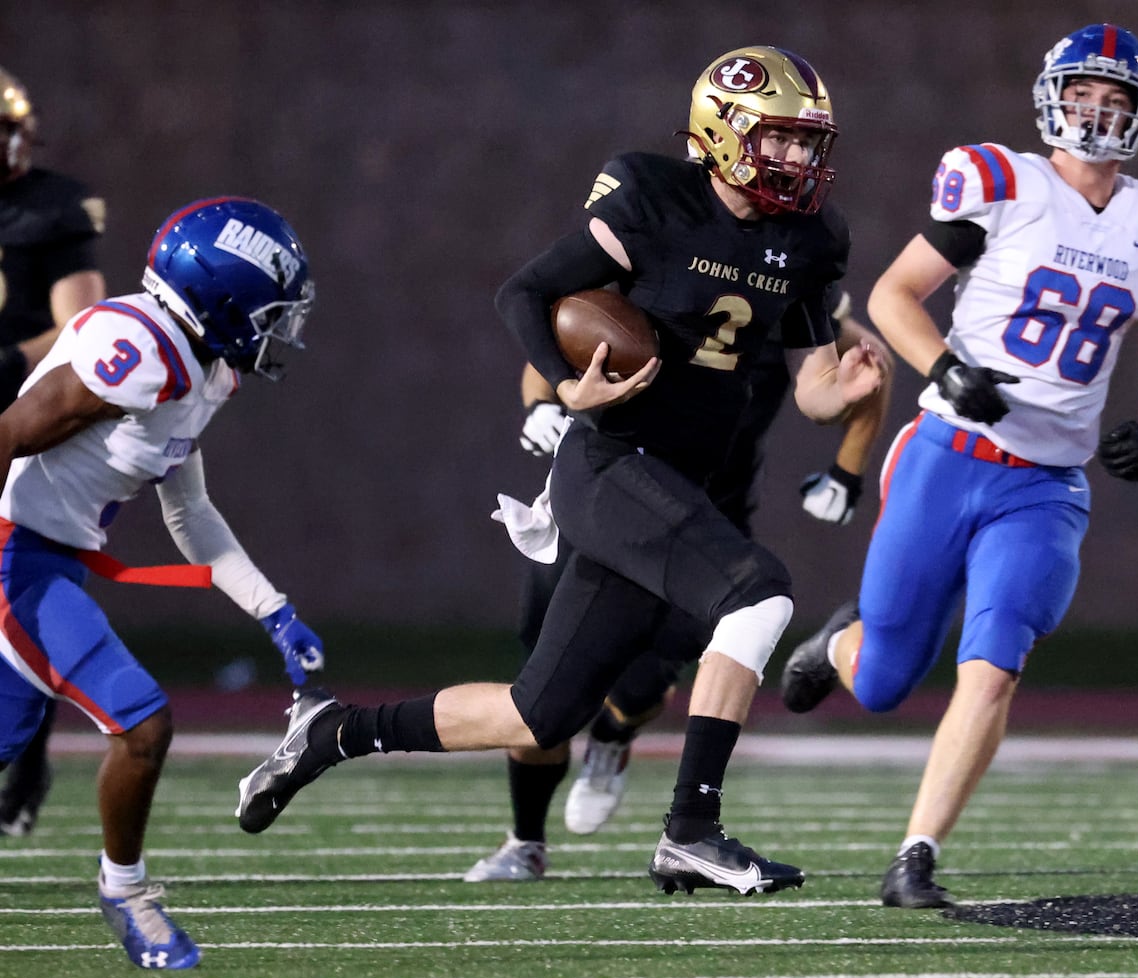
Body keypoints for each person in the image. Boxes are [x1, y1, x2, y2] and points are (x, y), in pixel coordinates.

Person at [237, 44, 883, 897]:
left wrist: (838, 394)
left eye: (808, 144)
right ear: (722, 134)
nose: (799, 161)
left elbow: (806, 386)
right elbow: (525, 291)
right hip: (612, 462)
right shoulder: (653, 197)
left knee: (535, 712)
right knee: (758, 594)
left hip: (678, 486)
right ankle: (691, 828)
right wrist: (565, 379)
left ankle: (332, 730)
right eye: (781, 140)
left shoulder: (807, 239)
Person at [781, 23, 1138, 909]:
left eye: (1114, 99)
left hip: (1044, 486)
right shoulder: (1002, 182)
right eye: (1083, 93)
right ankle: (840, 642)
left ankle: (916, 855)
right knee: (886, 681)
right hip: (946, 455)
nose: (1095, 111)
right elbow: (894, 295)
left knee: (994, 664)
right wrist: (943, 368)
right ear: (1054, 97)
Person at [467, 290, 891, 882]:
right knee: (541, 693)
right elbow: (558, 339)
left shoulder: (784, 281)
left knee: (641, 686)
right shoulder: (664, 270)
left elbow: (870, 361)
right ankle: (526, 839)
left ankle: (616, 734)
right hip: (607, 504)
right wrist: (545, 401)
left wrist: (848, 468)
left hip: (702, 529)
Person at [0, 196, 322, 969]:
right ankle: (126, 891)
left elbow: (192, 512)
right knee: (143, 724)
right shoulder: (138, 346)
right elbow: (8, 432)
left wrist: (274, 612)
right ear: (222, 296)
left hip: (52, 560)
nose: (282, 330)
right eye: (272, 311)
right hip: (17, 554)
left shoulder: (202, 368)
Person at [0, 64, 109, 837]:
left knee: (22, 601)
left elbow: (86, 330)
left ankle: (30, 751)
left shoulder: (49, 206)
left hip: (21, 423)